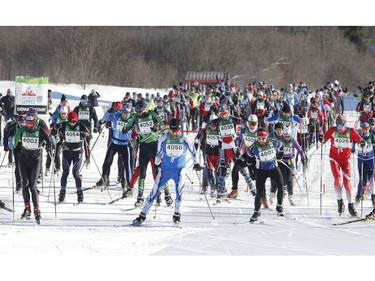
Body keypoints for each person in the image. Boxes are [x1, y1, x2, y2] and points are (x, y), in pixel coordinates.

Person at [132, 118, 203, 226]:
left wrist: (196, 163)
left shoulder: (186, 139)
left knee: (179, 191)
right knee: (154, 191)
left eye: (176, 131)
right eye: (172, 131)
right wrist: (156, 164)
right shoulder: (163, 138)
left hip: (179, 170)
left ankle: (177, 215)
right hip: (165, 170)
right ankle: (142, 215)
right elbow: (159, 153)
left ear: (180, 129)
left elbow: (193, 151)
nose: (174, 133)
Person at [122, 99, 171, 207]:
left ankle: (167, 194)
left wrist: (157, 127)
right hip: (143, 147)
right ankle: (140, 197)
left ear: (145, 109)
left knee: (157, 172)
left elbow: (166, 125)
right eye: (137, 111)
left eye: (140, 111)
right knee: (142, 173)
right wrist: (125, 129)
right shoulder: (135, 117)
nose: (139, 113)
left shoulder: (152, 114)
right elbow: (128, 126)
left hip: (154, 146)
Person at [9, 113, 54, 224]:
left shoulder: (40, 130)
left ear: (35, 122)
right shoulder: (21, 130)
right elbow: (15, 144)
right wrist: (11, 141)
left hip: (35, 160)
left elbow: (49, 143)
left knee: (33, 185)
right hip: (23, 160)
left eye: (31, 123)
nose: (29, 126)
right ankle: (27, 208)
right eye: (27, 123)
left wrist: (51, 142)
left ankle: (37, 209)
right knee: (24, 183)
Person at [319, 114, 364, 216]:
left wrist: (362, 142)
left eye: (341, 124)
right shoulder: (332, 130)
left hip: (345, 160)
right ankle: (340, 202)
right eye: (338, 124)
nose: (339, 127)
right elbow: (323, 140)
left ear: (345, 124)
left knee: (347, 183)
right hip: (334, 158)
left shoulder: (351, 131)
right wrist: (321, 138)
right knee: (337, 179)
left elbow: (360, 139)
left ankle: (350, 205)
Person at [247, 128, 285, 223]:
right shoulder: (253, 147)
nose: (261, 140)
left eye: (263, 138)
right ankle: (256, 212)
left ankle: (279, 207)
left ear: (266, 137)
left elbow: (281, 147)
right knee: (259, 192)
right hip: (261, 170)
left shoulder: (274, 142)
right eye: (259, 138)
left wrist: (280, 157)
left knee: (281, 186)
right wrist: (251, 172)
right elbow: (249, 161)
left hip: (273, 169)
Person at [95, 104, 134, 190]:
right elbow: (104, 119)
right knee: (107, 161)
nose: (125, 115)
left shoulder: (132, 119)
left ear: (129, 113)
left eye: (127, 113)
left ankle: (129, 184)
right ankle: (104, 179)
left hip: (124, 145)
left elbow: (138, 129)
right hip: (114, 142)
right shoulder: (116, 116)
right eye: (123, 112)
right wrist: (109, 111)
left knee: (127, 165)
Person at [55, 111, 91, 203]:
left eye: (74, 122)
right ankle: (62, 192)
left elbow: (89, 135)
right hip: (66, 151)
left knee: (75, 173)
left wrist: (84, 135)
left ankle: (80, 193)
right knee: (65, 172)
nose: (72, 124)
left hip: (77, 152)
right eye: (70, 122)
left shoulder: (81, 125)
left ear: (77, 120)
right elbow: (55, 128)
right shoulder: (64, 124)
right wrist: (56, 128)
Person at [279, 126, 306, 206]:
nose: (286, 138)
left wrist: (303, 158)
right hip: (281, 161)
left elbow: (300, 149)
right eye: (285, 136)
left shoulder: (293, 141)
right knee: (282, 177)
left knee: (289, 180)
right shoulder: (280, 140)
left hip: (290, 162)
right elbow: (274, 148)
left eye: (288, 136)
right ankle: (283, 193)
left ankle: (291, 198)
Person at [73, 94, 100, 168]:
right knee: (77, 145)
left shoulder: (91, 109)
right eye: (82, 101)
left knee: (87, 145)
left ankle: (88, 160)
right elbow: (72, 117)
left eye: (85, 101)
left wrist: (96, 127)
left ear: (87, 101)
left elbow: (95, 118)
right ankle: (77, 160)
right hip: (78, 128)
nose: (83, 103)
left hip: (87, 128)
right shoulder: (77, 109)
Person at [351, 122, 374, 204]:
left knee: (371, 179)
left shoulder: (371, 136)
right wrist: (353, 148)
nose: (364, 131)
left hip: (370, 160)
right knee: (361, 178)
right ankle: (359, 194)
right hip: (361, 159)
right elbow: (353, 142)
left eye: (366, 129)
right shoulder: (359, 136)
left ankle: (373, 196)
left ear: (368, 128)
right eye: (363, 129)